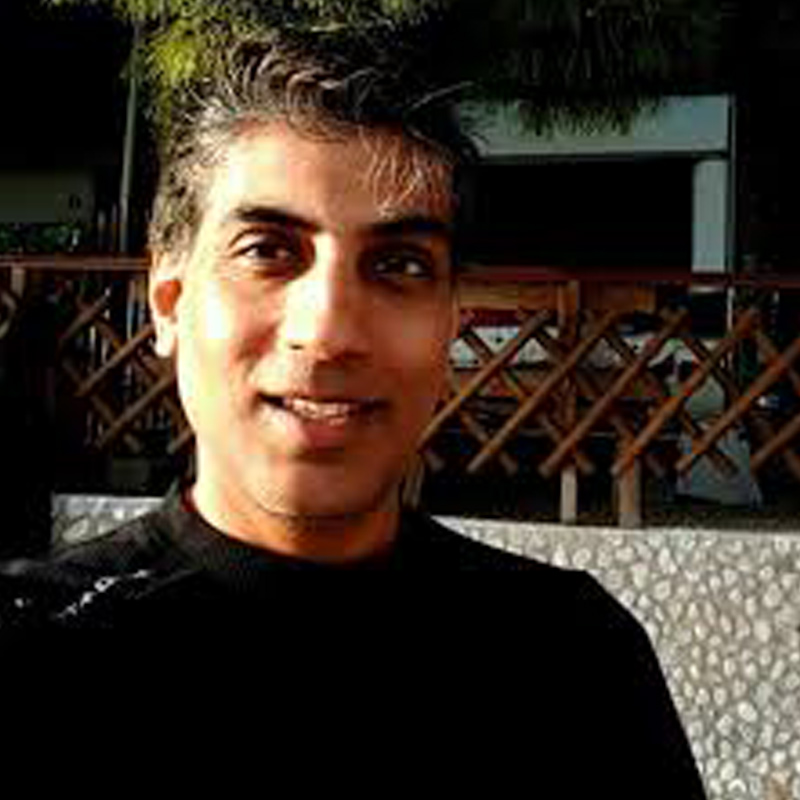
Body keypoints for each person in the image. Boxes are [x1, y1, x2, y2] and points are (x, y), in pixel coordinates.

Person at [0, 30, 705, 797]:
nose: (330, 330)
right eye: (267, 250)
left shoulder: (571, 661)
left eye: (399, 265)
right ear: (169, 302)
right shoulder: (39, 652)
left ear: (450, 325)